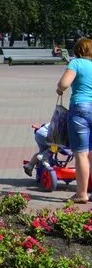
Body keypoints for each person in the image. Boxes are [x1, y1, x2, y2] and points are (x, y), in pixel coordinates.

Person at [57, 37, 92, 203]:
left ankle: (81, 194)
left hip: (80, 108)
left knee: (81, 153)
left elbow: (64, 83)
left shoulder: (76, 63)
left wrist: (59, 89)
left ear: (78, 50)